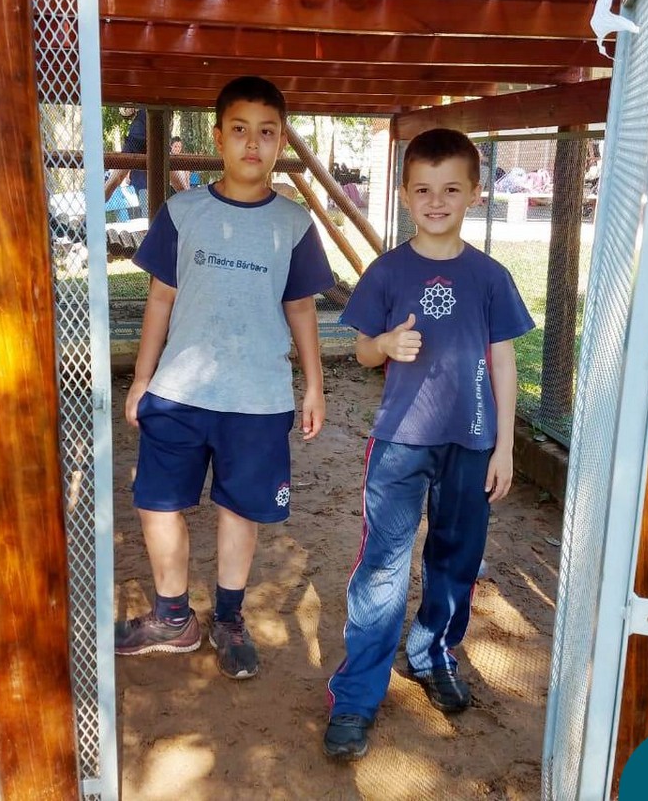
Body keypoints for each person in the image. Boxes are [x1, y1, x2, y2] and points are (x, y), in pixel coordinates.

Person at [322, 128, 534, 760]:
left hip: (472, 443)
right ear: (404, 194)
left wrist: (505, 447)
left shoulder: (490, 277)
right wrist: (385, 344)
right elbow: (363, 352)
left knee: (456, 557)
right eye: (422, 190)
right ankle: (357, 694)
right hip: (400, 442)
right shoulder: (388, 271)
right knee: (383, 564)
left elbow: (503, 363)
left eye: (450, 189)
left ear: (474, 192)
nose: (436, 201)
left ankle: (433, 653)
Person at [117, 76, 335, 680]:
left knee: (239, 510)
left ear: (281, 141)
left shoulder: (293, 223)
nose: (252, 143)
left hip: (258, 399)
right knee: (158, 503)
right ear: (217, 137)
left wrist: (314, 386)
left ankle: (229, 618)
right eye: (240, 130)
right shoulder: (182, 212)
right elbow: (161, 299)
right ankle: (172, 618)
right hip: (178, 392)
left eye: (267, 132)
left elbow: (301, 309)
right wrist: (141, 379)